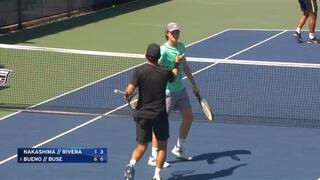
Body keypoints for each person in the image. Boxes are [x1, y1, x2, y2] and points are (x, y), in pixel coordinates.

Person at [123, 43, 184, 180]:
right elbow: (174, 77)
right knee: (162, 148)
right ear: (159, 57)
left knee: (141, 146)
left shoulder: (138, 71)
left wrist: (126, 94)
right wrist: (176, 63)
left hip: (142, 114)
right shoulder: (165, 72)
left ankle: (131, 165)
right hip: (159, 115)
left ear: (146, 55)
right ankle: (156, 176)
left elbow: (130, 90)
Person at [148, 22, 200, 167]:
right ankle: (153, 156)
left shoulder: (182, 46)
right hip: (167, 93)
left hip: (181, 90)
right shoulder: (163, 51)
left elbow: (185, 66)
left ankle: (179, 148)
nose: (176, 34)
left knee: (189, 117)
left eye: (177, 32)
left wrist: (193, 82)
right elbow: (153, 67)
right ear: (167, 34)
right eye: (173, 32)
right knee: (160, 124)